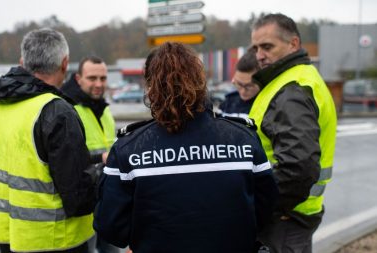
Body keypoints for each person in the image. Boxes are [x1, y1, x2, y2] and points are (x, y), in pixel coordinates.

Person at [93, 42, 278, 253]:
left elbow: (111, 229)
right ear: (200, 81)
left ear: (151, 87)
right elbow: (265, 212)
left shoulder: (129, 149)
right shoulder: (244, 139)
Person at [0, 28, 96, 253]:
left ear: (23, 61)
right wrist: (101, 174)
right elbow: (78, 196)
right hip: (56, 240)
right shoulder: (56, 111)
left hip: (9, 236)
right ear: (65, 63)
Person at [249, 13, 337, 253]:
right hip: (291, 216)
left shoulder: (292, 89)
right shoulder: (294, 80)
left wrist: (260, 207)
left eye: (267, 46)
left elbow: (298, 168)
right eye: (256, 48)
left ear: (294, 44)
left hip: (285, 219)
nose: (259, 55)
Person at [61, 56, 119, 253]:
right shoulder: (68, 110)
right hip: (85, 203)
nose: (98, 84)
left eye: (103, 79)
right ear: (78, 79)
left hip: (108, 199)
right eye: (92, 78)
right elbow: (66, 160)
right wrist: (101, 158)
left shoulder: (103, 108)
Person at [218, 48, 260, 119]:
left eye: (248, 86)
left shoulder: (269, 106)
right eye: (239, 84)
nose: (243, 91)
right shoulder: (228, 102)